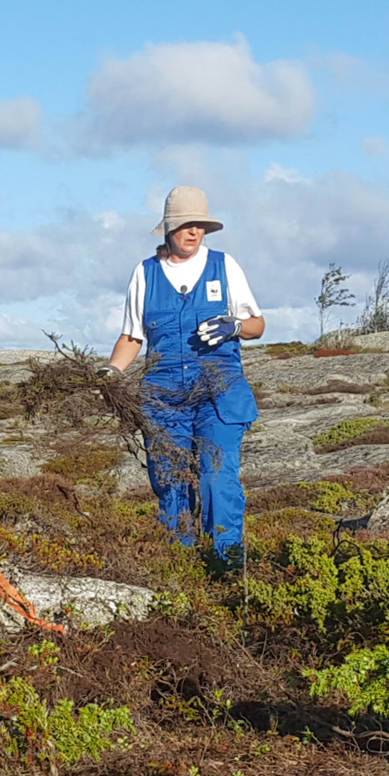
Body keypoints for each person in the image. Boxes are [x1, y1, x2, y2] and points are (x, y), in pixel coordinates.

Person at [106, 187, 264, 559]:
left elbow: (257, 324)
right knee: (170, 481)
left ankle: (226, 562)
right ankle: (180, 565)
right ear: (168, 229)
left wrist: (236, 327)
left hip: (219, 392)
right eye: (185, 225)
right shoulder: (145, 274)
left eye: (200, 225)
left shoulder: (225, 266)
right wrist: (110, 372)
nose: (193, 232)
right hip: (162, 398)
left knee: (215, 476)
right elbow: (132, 336)